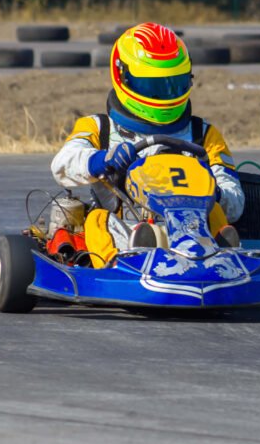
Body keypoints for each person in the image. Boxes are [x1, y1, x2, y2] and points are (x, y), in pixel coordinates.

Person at [51, 22, 244, 266]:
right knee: (96, 219)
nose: (163, 94)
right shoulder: (99, 128)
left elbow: (235, 201)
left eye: (173, 83)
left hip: (195, 230)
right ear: (122, 76)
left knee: (216, 210)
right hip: (125, 229)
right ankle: (118, 265)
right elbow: (62, 165)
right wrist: (101, 160)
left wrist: (212, 190)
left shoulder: (203, 134)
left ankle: (225, 258)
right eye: (151, 86)